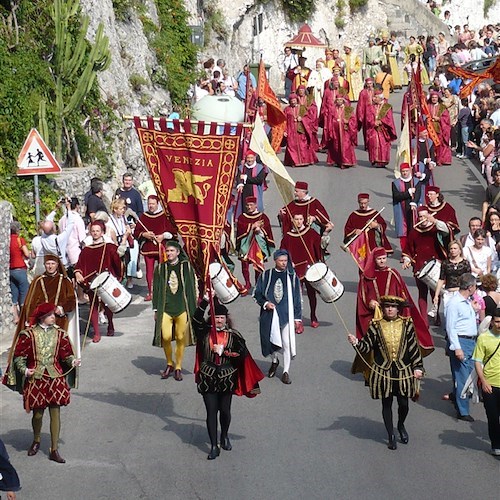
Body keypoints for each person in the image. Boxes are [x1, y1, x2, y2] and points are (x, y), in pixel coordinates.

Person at [2, 302, 81, 463]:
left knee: (55, 411)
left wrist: (72, 361)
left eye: (53, 314)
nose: (54, 317)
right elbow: (19, 357)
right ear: (42, 317)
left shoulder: (60, 334)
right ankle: (36, 440)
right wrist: (25, 370)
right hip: (36, 379)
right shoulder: (28, 335)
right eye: (51, 315)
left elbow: (65, 354)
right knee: (37, 414)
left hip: (55, 377)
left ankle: (54, 449)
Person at [348, 295, 424, 450]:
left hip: (403, 371)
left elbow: (413, 348)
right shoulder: (376, 325)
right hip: (383, 371)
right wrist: (356, 342)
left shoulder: (407, 324)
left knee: (404, 403)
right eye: (387, 307)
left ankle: (401, 425)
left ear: (398, 309)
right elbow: (366, 347)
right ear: (383, 309)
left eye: (393, 307)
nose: (390, 309)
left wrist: (418, 367)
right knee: (386, 403)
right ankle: (390, 435)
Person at [192, 298, 264, 459]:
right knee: (211, 412)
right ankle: (214, 445)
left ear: (226, 319)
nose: (218, 320)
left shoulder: (235, 335)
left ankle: (224, 435)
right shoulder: (203, 332)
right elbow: (195, 319)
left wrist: (224, 352)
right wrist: (204, 302)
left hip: (227, 378)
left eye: (221, 317)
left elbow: (242, 355)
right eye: (216, 317)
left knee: (224, 411)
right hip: (207, 378)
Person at [253, 249, 302, 384]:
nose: (284, 263)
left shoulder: (292, 276)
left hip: (286, 315)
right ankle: (274, 361)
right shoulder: (266, 275)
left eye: (286, 261)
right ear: (275, 260)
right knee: (268, 341)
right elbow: (256, 294)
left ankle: (286, 371)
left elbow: (297, 298)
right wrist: (266, 303)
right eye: (281, 260)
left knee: (286, 343)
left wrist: (297, 318)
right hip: (269, 314)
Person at [152, 240, 198, 381]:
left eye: (172, 251)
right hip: (165, 309)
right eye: (168, 251)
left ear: (178, 252)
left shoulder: (186, 267)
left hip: (182, 308)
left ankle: (178, 366)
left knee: (180, 337)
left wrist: (193, 308)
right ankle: (169, 363)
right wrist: (155, 309)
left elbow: (191, 288)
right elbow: (156, 289)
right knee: (165, 336)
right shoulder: (160, 268)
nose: (169, 253)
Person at [74, 220, 123, 342]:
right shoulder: (86, 250)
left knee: (107, 304)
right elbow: (79, 264)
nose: (95, 233)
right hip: (91, 281)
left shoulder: (109, 247)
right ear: (90, 232)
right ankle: (96, 332)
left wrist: (117, 274)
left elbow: (117, 261)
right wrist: (78, 272)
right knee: (93, 305)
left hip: (106, 280)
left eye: (97, 231)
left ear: (102, 232)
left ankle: (110, 324)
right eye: (93, 231)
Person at [402, 206, 448, 325]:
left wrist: (435, 221)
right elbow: (408, 249)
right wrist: (407, 259)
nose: (423, 218)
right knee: (422, 293)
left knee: (435, 293)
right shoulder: (414, 232)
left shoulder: (435, 229)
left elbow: (447, 231)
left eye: (425, 216)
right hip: (419, 267)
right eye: (420, 216)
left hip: (435, 266)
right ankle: (423, 320)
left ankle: (436, 315)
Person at [445, 273, 480, 422]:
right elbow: (451, 327)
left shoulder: (466, 301)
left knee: (464, 374)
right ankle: (463, 410)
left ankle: (456, 396)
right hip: (461, 342)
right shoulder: (455, 303)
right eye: (475, 286)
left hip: (470, 341)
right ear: (470, 287)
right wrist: (457, 347)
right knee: (463, 377)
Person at [280, 213, 323, 328]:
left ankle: (313, 316)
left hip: (309, 269)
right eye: (296, 219)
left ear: (304, 220)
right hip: (295, 270)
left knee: (311, 294)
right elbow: (282, 253)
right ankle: (298, 321)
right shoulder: (287, 237)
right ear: (292, 221)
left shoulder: (311, 232)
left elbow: (319, 246)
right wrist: (288, 262)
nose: (299, 221)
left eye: (300, 219)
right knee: (296, 297)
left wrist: (325, 238)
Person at [17, 254, 76, 334]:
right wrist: (30, 319)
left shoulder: (64, 281)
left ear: (57, 265)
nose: (50, 266)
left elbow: (72, 300)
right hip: (41, 321)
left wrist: (62, 309)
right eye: (48, 264)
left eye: (53, 264)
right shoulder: (38, 281)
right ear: (44, 265)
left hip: (59, 320)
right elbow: (31, 302)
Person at [133, 195, 176, 301]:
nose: (150, 206)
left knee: (164, 269)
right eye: (149, 204)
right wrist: (144, 234)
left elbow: (173, 232)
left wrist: (163, 236)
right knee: (149, 271)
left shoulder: (164, 216)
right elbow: (137, 232)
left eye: (152, 204)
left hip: (162, 247)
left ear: (157, 204)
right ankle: (151, 292)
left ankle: (166, 291)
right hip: (148, 248)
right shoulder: (144, 216)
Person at [473, 309, 500, 455]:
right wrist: (483, 381)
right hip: (490, 385)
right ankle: (496, 444)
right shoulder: (484, 338)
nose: (499, 324)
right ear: (492, 322)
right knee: (493, 417)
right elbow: (477, 362)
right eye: (497, 321)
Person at [236, 196, 275, 291]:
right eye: (247, 205)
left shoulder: (262, 217)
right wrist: (252, 226)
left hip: (258, 244)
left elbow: (267, 230)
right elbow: (240, 229)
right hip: (246, 244)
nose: (249, 207)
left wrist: (260, 230)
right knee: (244, 263)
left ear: (255, 205)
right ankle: (247, 283)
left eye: (251, 205)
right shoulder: (242, 217)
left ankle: (258, 283)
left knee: (257, 263)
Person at [433, 240, 472, 313]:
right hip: (449, 293)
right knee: (448, 314)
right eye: (451, 248)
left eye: (455, 248)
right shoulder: (445, 263)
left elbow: (469, 280)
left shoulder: (465, 263)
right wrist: (436, 295)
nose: (453, 250)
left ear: (460, 250)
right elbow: (441, 279)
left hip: (461, 293)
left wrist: (470, 293)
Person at [391, 163, 423, 250]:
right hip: (401, 210)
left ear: (410, 171)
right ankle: (405, 251)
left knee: (414, 229)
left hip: (413, 209)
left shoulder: (415, 181)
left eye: (406, 171)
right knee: (403, 231)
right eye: (403, 171)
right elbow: (397, 196)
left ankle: (414, 250)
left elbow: (418, 194)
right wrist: (408, 193)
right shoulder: (396, 183)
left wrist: (414, 202)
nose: (405, 173)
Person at [321, 95, 357, 169]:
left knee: (346, 146)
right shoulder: (333, 109)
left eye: (340, 100)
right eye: (337, 100)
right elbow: (330, 120)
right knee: (336, 146)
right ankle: (338, 161)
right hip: (335, 131)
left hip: (345, 132)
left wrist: (348, 122)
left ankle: (346, 161)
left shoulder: (348, 109)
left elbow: (353, 120)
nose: (339, 102)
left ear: (343, 101)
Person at [283, 93, 319, 167]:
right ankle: (294, 162)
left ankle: (304, 161)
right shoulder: (287, 109)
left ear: (297, 100)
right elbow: (284, 121)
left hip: (301, 130)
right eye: (292, 100)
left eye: (294, 100)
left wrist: (302, 119)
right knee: (291, 146)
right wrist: (285, 131)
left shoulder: (302, 108)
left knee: (303, 146)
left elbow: (309, 119)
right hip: (291, 130)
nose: (293, 102)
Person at [364, 87, 397, 168]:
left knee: (383, 144)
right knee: (373, 143)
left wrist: (381, 122)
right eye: (373, 97)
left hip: (383, 129)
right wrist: (373, 122)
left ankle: (383, 161)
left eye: (376, 97)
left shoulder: (386, 107)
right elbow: (367, 117)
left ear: (380, 98)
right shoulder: (369, 106)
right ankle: (374, 159)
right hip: (373, 128)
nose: (373, 98)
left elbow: (389, 118)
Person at [235, 150, 267, 218]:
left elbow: (259, 180)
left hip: (254, 191)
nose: (250, 160)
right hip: (245, 192)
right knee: (245, 207)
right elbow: (238, 177)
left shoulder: (259, 168)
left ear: (255, 158)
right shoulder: (242, 167)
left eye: (251, 158)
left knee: (255, 206)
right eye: (248, 158)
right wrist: (240, 184)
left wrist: (246, 177)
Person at [10, 221, 30, 325]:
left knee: (14, 295)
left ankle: (15, 317)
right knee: (24, 293)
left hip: (11, 270)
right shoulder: (19, 240)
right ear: (18, 230)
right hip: (20, 269)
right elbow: (26, 253)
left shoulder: (7, 240)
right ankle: (24, 317)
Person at [428, 91, 452, 165]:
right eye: (433, 97)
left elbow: (447, 119)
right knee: (429, 145)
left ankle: (439, 159)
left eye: (435, 97)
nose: (434, 99)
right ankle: (430, 159)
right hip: (429, 129)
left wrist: (439, 119)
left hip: (439, 129)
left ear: (438, 98)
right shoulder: (427, 106)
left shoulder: (442, 107)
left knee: (440, 145)